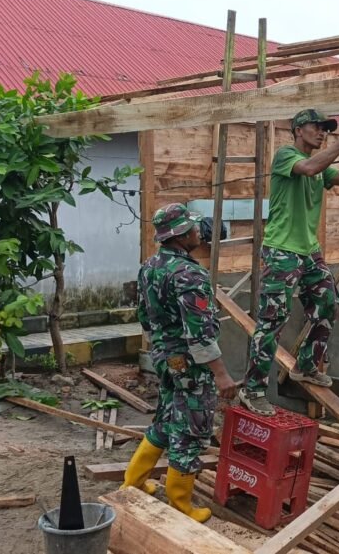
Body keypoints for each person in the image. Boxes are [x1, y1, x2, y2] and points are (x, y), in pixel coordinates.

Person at [239, 109, 339, 416]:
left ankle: (306, 366)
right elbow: (311, 167)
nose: (322, 133)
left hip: (308, 250)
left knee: (327, 304)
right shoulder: (286, 156)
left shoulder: (321, 164)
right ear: (299, 129)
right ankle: (253, 389)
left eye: (326, 130)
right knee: (273, 321)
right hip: (281, 250)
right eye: (318, 128)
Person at [121, 203, 237, 522]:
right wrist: (223, 376)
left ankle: (133, 480)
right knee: (191, 427)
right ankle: (180, 502)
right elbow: (198, 335)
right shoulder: (189, 273)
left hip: (165, 357)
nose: (199, 233)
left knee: (168, 415)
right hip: (190, 362)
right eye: (194, 229)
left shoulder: (150, 266)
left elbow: (144, 315)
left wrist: (163, 347)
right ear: (181, 236)